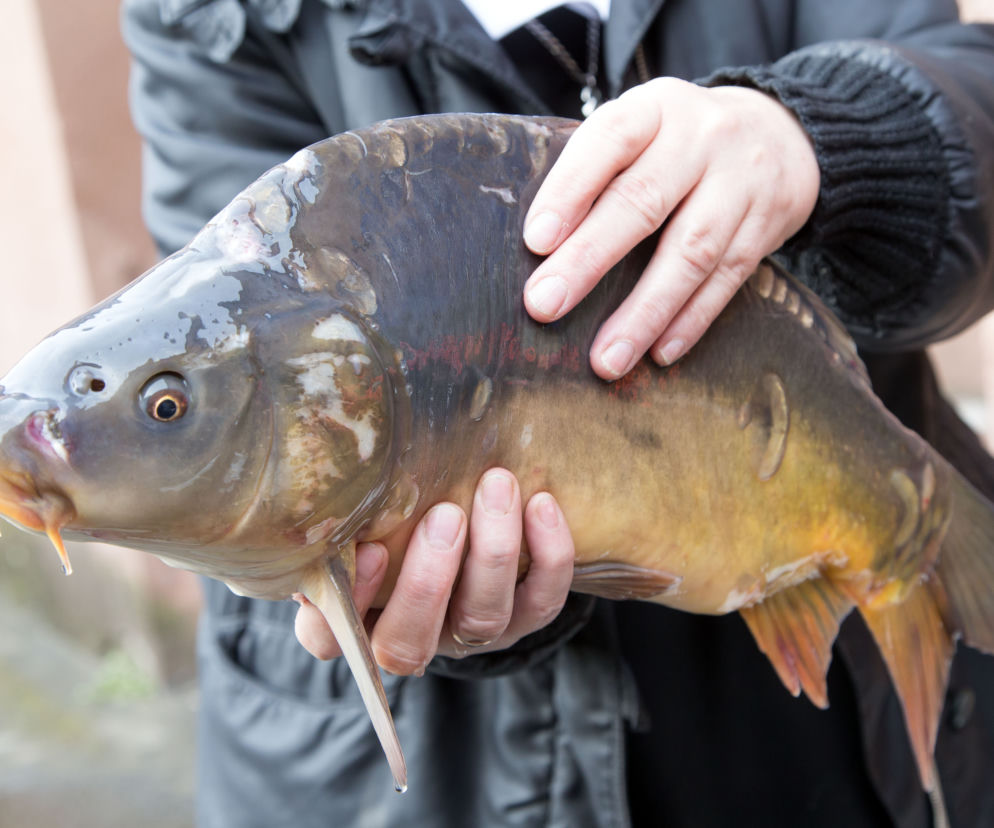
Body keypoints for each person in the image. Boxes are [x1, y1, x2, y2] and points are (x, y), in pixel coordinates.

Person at [122, 1, 994, 825]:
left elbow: (967, 95)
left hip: (808, 703)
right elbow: (219, 355)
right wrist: (427, 597)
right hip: (444, 774)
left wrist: (826, 136)